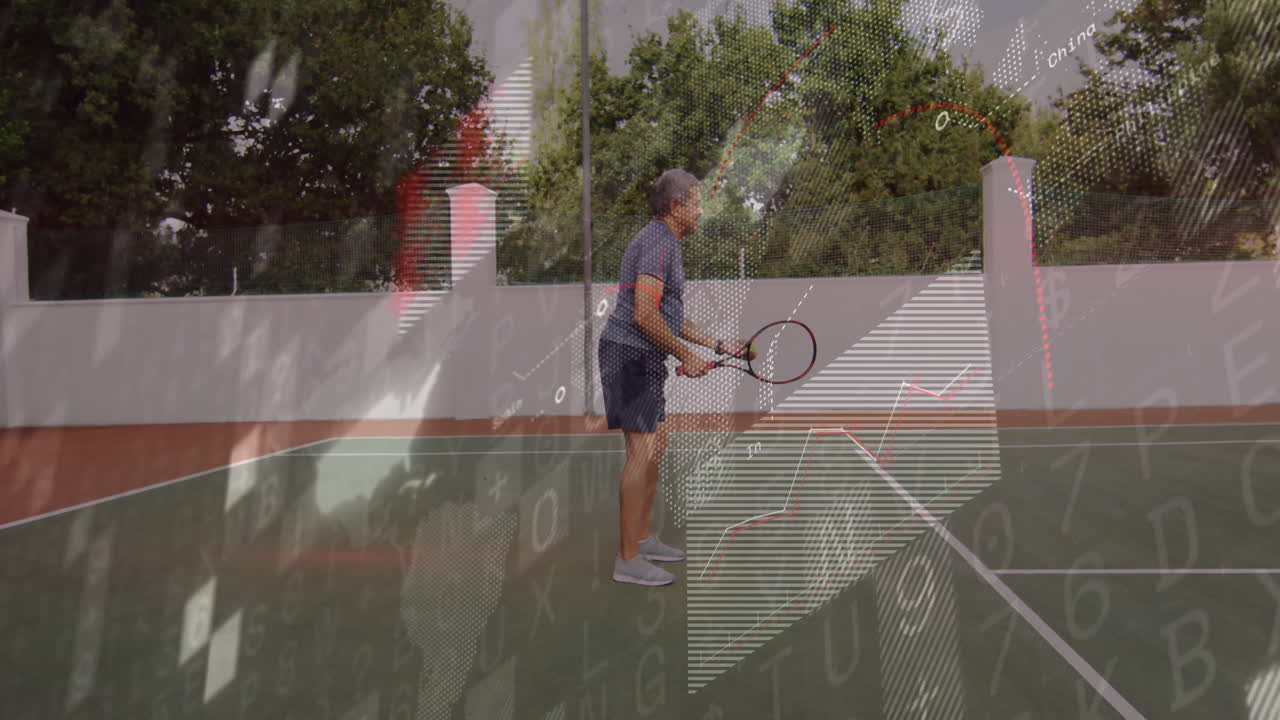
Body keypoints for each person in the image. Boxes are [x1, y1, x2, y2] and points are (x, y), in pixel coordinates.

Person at [598, 168, 753, 587]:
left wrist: (718, 346)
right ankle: (627, 559)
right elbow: (642, 315)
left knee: (657, 446)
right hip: (627, 354)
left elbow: (669, 315)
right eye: (697, 202)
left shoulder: (666, 244)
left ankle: (642, 539)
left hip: (644, 356)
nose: (702, 210)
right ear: (675, 206)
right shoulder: (656, 243)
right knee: (641, 451)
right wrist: (687, 355)